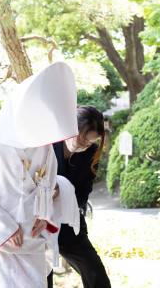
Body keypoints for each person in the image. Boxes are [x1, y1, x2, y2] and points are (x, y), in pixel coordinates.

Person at [0, 62, 79, 288]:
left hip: (33, 246)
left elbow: (48, 190)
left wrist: (45, 217)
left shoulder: (46, 151)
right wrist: (5, 229)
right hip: (0, 248)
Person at [47, 105, 111, 288]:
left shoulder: (92, 154)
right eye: (81, 139)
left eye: (89, 143)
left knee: (96, 275)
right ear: (69, 128)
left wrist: (62, 190)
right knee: (42, 278)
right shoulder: (48, 142)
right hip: (39, 222)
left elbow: (83, 195)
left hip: (69, 221)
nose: (83, 146)